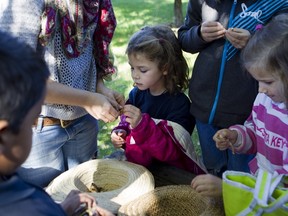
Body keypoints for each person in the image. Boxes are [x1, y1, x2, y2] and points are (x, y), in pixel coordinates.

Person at [0, 0, 125, 187]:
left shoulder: (92, 3)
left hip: (84, 123)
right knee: (46, 201)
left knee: (86, 196)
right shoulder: (25, 3)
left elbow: (89, 53)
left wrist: (100, 89)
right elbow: (20, 78)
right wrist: (88, 100)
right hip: (40, 128)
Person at [0, 30, 114, 216]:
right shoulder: (32, 206)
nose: (35, 124)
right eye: (33, 121)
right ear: (3, 136)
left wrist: (59, 209)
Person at [178, 0, 288, 177]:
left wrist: (254, 42)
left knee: (239, 173)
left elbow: (281, 42)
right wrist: (198, 34)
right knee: (213, 167)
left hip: (244, 110)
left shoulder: (274, 3)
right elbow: (184, 37)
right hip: (204, 106)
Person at [109, 25, 207, 175]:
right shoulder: (136, 94)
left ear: (165, 68)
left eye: (142, 70)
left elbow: (172, 152)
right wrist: (121, 131)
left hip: (169, 176)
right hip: (139, 171)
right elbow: (126, 121)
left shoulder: (180, 105)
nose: (135, 75)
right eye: (132, 68)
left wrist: (142, 125)